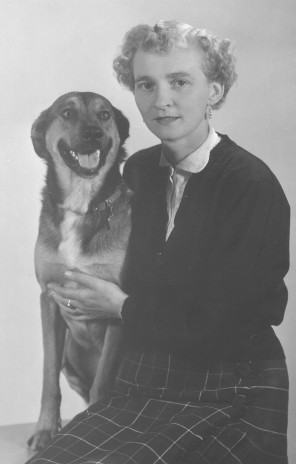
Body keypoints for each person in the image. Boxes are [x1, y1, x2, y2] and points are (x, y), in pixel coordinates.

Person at [27, 20, 290, 464]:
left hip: (232, 381)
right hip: (145, 376)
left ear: (215, 91)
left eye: (180, 82)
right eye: (146, 84)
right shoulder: (137, 173)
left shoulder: (250, 184)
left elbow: (228, 321)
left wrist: (120, 306)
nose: (161, 99)